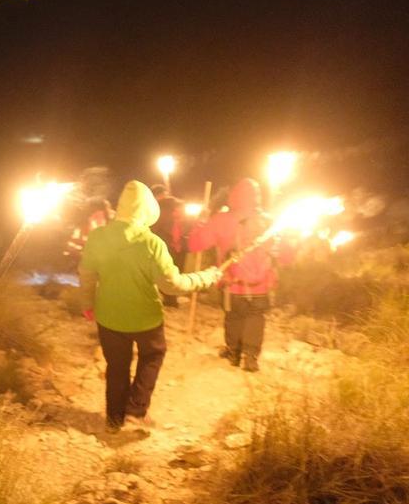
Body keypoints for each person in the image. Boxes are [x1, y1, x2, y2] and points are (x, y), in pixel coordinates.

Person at [79, 181, 222, 433]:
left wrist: (87, 304)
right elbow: (172, 285)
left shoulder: (98, 237)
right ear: (147, 209)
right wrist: (206, 277)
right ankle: (135, 409)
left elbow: (87, 274)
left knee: (117, 366)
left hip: (108, 317)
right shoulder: (151, 243)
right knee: (153, 355)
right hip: (145, 319)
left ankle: (114, 419)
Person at [188, 178, 293, 372]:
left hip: (231, 284)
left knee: (234, 316)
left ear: (234, 196)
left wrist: (201, 222)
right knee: (256, 316)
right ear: (257, 197)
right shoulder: (270, 223)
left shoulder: (222, 220)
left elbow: (195, 244)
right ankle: (251, 356)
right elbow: (287, 257)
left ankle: (233, 351)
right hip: (261, 286)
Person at [149, 184, 187, 307]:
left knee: (168, 272)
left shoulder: (163, 208)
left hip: (171, 245)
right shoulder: (160, 209)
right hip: (170, 244)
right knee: (168, 271)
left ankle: (170, 298)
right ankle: (170, 298)